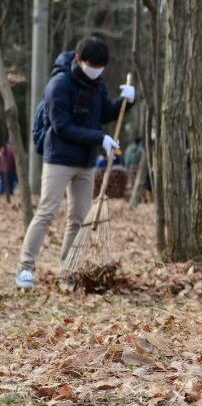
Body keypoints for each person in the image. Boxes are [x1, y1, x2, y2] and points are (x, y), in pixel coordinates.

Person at [15, 36, 135, 289]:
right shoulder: (58, 85)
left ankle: (67, 271)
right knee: (47, 211)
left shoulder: (98, 85)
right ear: (79, 60)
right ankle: (25, 268)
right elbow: (61, 127)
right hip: (59, 158)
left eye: (101, 66)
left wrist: (126, 101)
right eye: (93, 64)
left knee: (79, 219)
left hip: (86, 161)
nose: (97, 70)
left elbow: (103, 115)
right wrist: (99, 137)